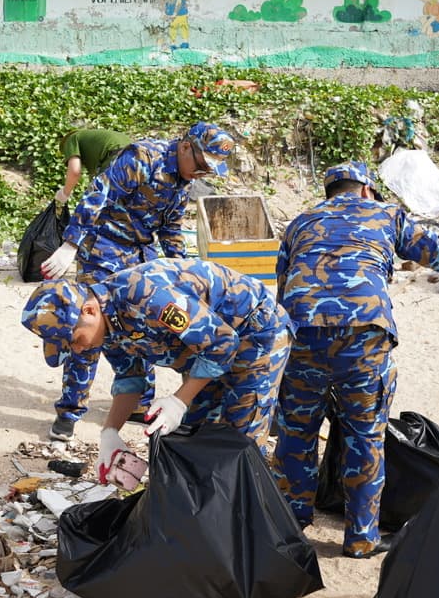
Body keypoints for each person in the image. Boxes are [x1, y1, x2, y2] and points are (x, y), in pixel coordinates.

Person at [272, 161, 439, 559]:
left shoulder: (300, 222)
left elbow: (282, 286)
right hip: (364, 334)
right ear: (366, 190)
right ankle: (361, 538)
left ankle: (289, 524)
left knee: (297, 429)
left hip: (302, 330)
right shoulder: (385, 214)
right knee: (364, 433)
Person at [38, 122, 236, 441]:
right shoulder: (143, 157)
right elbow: (98, 194)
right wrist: (70, 244)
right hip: (103, 249)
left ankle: (138, 402)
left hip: (140, 254)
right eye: (201, 165)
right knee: (87, 330)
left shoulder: (183, 180)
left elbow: (170, 229)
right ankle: (70, 412)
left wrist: (182, 271)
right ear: (186, 146)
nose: (201, 174)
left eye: (207, 171)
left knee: (140, 328)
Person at [22, 258, 291, 482]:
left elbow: (223, 343)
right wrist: (110, 432)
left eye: (75, 340)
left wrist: (179, 401)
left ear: (89, 311)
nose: (78, 349)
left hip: (255, 333)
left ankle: (250, 517)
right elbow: (131, 378)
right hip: (206, 352)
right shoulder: (108, 326)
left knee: (240, 441)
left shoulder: (147, 296)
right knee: (196, 433)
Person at [54, 128, 132, 205]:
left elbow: (75, 171)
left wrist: (65, 193)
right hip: (136, 158)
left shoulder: (71, 139)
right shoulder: (94, 140)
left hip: (116, 158)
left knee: (93, 205)